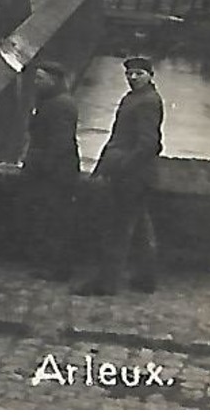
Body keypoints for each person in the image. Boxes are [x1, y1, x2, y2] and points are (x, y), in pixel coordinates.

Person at [76, 57, 165, 296]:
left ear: (150, 75)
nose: (132, 78)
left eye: (138, 73)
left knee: (117, 229)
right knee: (138, 228)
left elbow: (149, 144)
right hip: (139, 176)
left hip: (131, 177)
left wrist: (122, 165)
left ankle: (106, 283)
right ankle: (146, 278)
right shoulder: (136, 98)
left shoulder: (146, 102)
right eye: (129, 74)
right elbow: (119, 137)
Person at [20, 61, 79, 282]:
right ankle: (51, 265)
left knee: (55, 220)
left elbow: (59, 143)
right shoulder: (52, 100)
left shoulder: (61, 105)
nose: (36, 83)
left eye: (40, 78)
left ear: (53, 80)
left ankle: (58, 268)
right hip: (52, 171)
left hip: (56, 174)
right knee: (49, 219)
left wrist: (41, 167)